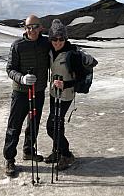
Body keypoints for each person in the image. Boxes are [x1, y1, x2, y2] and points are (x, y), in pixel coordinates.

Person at [44, 19, 98, 170]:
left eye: (61, 39)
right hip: (54, 93)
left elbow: (80, 78)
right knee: (57, 125)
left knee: (51, 126)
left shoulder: (71, 55)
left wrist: (66, 84)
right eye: (54, 38)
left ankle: (67, 155)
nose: (57, 42)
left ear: (65, 38)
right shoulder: (50, 50)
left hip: (66, 95)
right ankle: (57, 151)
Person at [3, 15, 50, 176]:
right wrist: (22, 78)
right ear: (25, 28)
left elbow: (62, 47)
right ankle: (9, 159)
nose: (32, 30)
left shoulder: (46, 43)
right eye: (29, 27)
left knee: (34, 124)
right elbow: (10, 69)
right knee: (14, 126)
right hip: (20, 92)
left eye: (35, 27)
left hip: (39, 91)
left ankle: (28, 151)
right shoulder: (17, 46)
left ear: (41, 28)